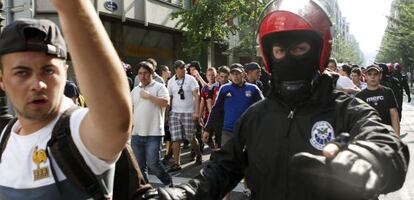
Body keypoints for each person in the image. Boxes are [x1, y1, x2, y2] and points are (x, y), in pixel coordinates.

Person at [141, 0, 409, 199]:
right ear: (269, 55)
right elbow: (221, 168)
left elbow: (388, 146)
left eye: (299, 48)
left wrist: (368, 157)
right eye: (280, 50)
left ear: (319, 50)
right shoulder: (256, 116)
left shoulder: (348, 110)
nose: (289, 57)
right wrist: (181, 194)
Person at [0, 0, 132, 199]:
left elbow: (116, 122)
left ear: (65, 72)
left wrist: (73, 7)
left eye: (48, 70)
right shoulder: (6, 136)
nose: (38, 84)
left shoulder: (77, 133)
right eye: (22, 72)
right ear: (2, 80)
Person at [130, 61, 172, 186]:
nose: (142, 76)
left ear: (152, 74)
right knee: (140, 166)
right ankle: (147, 190)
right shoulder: (135, 90)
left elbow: (166, 103)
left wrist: (149, 96)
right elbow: (131, 110)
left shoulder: (159, 87)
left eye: (145, 73)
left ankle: (168, 182)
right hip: (136, 134)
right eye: (140, 73)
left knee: (153, 164)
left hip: (154, 133)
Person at [203, 64, 264, 146]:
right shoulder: (224, 89)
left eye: (238, 73)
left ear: (243, 74)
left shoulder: (253, 89)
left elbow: (262, 109)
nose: (235, 76)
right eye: (233, 74)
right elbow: (216, 110)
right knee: (227, 158)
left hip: (247, 131)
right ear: (230, 76)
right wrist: (207, 129)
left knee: (246, 158)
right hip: (228, 131)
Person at [167, 60, 202, 172]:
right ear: (176, 70)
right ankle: (177, 163)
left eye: (184, 68)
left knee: (191, 137)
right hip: (175, 113)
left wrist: (196, 112)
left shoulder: (191, 79)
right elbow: (170, 98)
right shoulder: (171, 81)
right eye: (181, 68)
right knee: (176, 138)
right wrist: (167, 113)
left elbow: (197, 96)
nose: (184, 69)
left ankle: (198, 154)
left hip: (188, 112)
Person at [356, 65, 400, 136]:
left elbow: (394, 115)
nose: (372, 77)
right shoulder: (359, 96)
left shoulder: (388, 92)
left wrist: (397, 137)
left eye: (375, 74)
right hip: (368, 137)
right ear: (365, 76)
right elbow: (357, 121)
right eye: (370, 74)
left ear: (380, 76)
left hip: (387, 135)